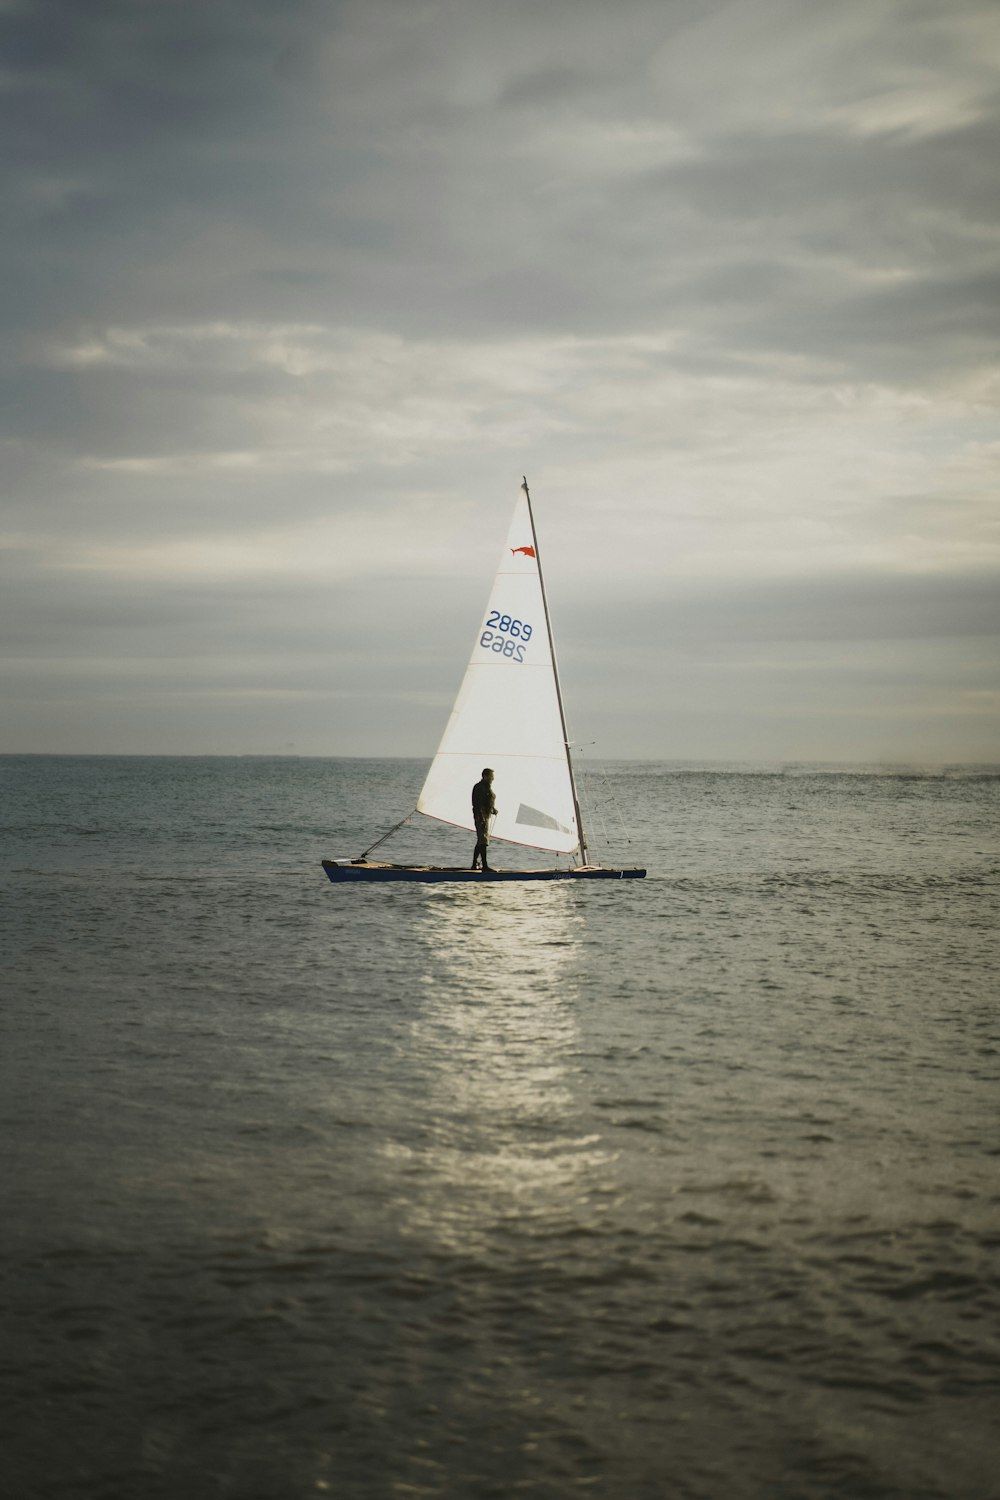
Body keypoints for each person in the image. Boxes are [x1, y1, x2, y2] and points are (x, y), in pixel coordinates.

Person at [471, 768, 497, 871]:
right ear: (485, 776)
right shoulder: (480, 787)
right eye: (491, 776)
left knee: (481, 841)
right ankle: (485, 866)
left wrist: (492, 809)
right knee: (483, 841)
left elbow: (487, 801)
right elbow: (477, 804)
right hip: (481, 817)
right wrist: (481, 818)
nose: (492, 779)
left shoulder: (486, 787)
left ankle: (474, 864)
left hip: (485, 816)